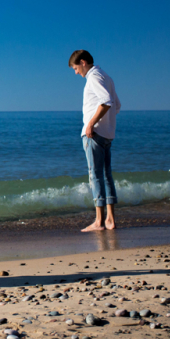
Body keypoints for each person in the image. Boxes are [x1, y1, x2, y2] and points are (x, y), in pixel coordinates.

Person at [69, 50, 121, 232]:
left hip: (94, 134)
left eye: (76, 68)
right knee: (106, 176)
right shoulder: (107, 77)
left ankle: (99, 221)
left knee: (95, 176)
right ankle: (110, 220)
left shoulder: (93, 77)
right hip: (107, 133)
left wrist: (91, 123)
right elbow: (117, 105)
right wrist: (106, 123)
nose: (76, 72)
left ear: (83, 62)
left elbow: (106, 102)